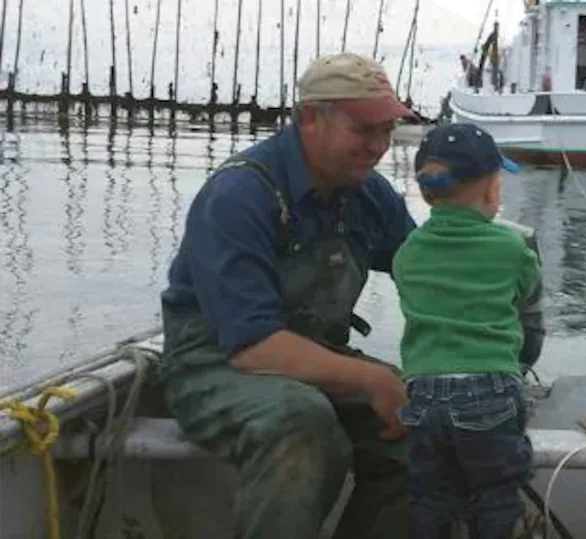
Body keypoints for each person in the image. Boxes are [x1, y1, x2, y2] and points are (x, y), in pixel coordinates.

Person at [156, 52, 418, 539]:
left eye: (387, 130)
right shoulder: (239, 196)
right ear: (310, 118)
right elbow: (253, 347)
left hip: (315, 361)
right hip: (215, 364)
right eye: (364, 130)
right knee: (302, 424)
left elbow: (425, 277)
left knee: (426, 436)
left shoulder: (370, 195)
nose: (379, 146)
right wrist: (372, 378)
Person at [392, 122, 545, 539]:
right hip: (490, 391)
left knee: (430, 498)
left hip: (423, 396)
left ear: (426, 191)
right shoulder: (513, 248)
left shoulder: (407, 253)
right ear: (494, 190)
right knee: (496, 497)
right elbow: (526, 296)